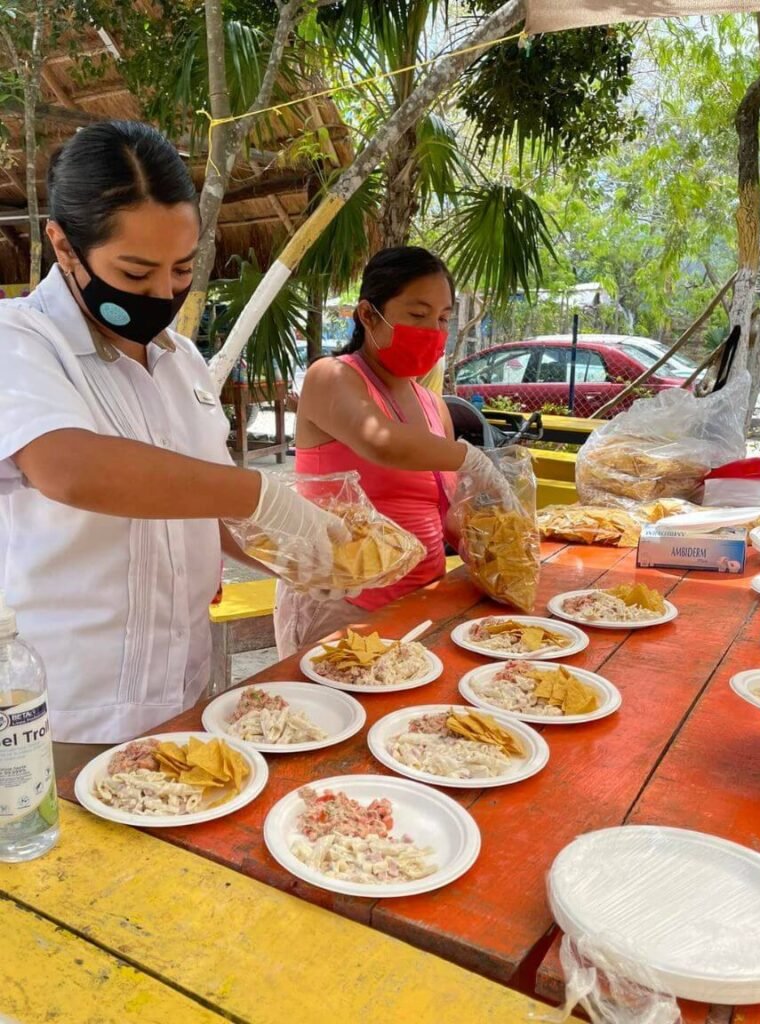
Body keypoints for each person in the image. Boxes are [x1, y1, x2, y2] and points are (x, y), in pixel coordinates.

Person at [0, 120, 348, 773]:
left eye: (183, 268)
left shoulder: (183, 360)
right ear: (63, 244)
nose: (163, 293)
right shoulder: (18, 342)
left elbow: (205, 503)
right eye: (135, 271)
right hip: (65, 715)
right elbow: (69, 467)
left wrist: (304, 554)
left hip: (186, 697)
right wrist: (266, 494)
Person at [275, 246, 509, 656]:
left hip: (421, 602)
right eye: (418, 316)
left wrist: (494, 546)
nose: (434, 331)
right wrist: (469, 457)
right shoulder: (331, 377)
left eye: (442, 319)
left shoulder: (432, 403)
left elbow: (441, 508)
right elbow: (380, 441)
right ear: (368, 315)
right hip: (344, 606)